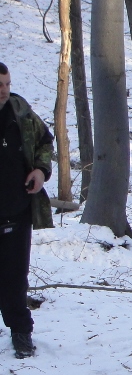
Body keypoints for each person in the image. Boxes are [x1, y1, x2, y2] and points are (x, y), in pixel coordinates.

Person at [0, 62, 53, 359]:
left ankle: (21, 332)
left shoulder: (22, 114)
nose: (4, 90)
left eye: (7, 84)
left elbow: (45, 141)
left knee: (15, 278)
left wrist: (41, 171)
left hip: (16, 209)